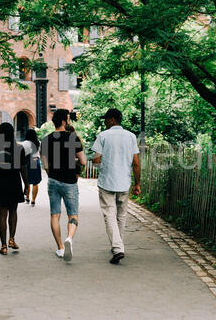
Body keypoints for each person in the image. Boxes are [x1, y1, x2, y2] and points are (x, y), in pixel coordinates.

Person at [92, 108, 141, 264]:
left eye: (106, 119)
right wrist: (138, 183)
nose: (105, 122)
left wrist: (102, 166)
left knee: (109, 215)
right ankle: (118, 245)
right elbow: (136, 163)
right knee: (121, 215)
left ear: (112, 120)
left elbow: (96, 160)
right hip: (124, 182)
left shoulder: (103, 136)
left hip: (107, 181)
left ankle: (118, 248)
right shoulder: (131, 137)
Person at [41, 109, 86, 261]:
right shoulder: (73, 138)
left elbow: (45, 163)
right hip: (70, 181)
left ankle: (60, 247)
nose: (68, 121)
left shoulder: (46, 139)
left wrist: (50, 173)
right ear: (63, 121)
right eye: (67, 119)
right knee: (73, 214)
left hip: (53, 180)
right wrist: (74, 161)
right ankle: (69, 239)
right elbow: (84, 161)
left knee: (55, 214)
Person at [0, 123, 29, 255]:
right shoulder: (19, 148)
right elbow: (23, 168)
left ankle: (3, 246)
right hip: (14, 182)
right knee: (13, 211)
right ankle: (12, 239)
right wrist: (26, 185)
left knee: (2, 214)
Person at [21, 129, 42, 206]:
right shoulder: (38, 143)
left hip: (27, 162)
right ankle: (33, 200)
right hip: (35, 161)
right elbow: (41, 154)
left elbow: (22, 155)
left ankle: (27, 197)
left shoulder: (24, 144)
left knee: (27, 181)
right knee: (35, 182)